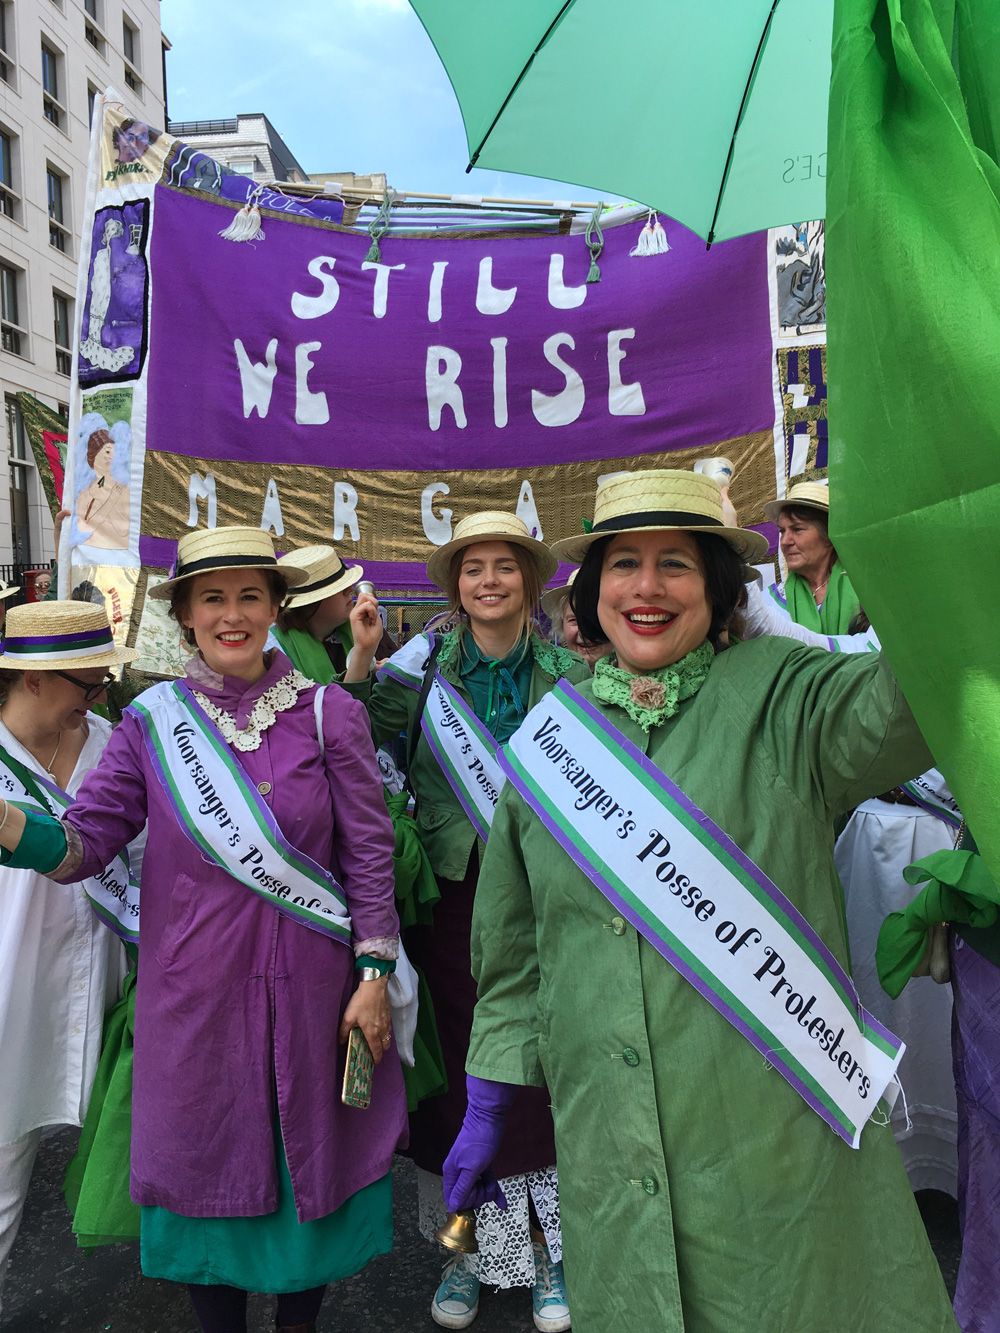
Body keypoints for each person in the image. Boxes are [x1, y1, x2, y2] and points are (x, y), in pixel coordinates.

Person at [445, 470, 956, 1331]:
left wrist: (920, 541)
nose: (646, 588)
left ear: (718, 590)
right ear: (593, 587)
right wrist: (492, 1091)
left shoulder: (786, 694)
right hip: (606, 1142)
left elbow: (904, 703)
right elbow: (514, 947)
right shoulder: (551, 738)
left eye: (675, 563)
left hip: (772, 1149)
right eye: (624, 564)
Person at [0, 526, 408, 1333]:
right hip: (194, 997)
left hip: (315, 991)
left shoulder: (330, 714)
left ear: (274, 606)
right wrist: (14, 826)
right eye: (212, 598)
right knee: (203, 1172)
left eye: (249, 595)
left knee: (308, 1175)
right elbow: (85, 845)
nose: (232, 615)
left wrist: (372, 978)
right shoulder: (153, 722)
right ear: (185, 614)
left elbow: (369, 854)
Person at [349, 512, 586, 1332]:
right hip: (455, 902)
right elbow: (346, 737)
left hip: (553, 901)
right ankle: (467, 1248)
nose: (489, 581)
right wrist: (361, 657)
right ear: (456, 587)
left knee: (549, 1067)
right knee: (462, 1072)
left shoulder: (572, 674)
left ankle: (555, 1251)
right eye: (473, 568)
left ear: (530, 579)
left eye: (504, 567)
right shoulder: (415, 678)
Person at [0, 601, 137, 1318]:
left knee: (132, 1149)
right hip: (10, 991)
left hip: (105, 987)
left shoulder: (115, 746)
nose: (101, 697)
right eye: (88, 684)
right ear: (31, 681)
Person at [762, 478, 860, 633]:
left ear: (828, 536)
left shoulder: (863, 590)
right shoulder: (772, 602)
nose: (785, 541)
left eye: (797, 529)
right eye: (782, 531)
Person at [272, 544, 364, 681]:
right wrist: (364, 653)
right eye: (340, 587)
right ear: (311, 604)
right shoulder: (275, 652)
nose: (350, 590)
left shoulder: (355, 630)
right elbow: (339, 701)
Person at [75, 428, 130, 550]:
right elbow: (82, 531)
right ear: (94, 455)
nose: (111, 457)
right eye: (107, 452)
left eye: (114, 453)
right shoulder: (84, 494)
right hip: (90, 557)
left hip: (119, 557)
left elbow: (124, 529)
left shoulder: (124, 489)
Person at [541, 569, 604, 669]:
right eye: (574, 620)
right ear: (562, 626)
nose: (585, 632)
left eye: (596, 620)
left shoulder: (634, 679)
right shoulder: (556, 678)